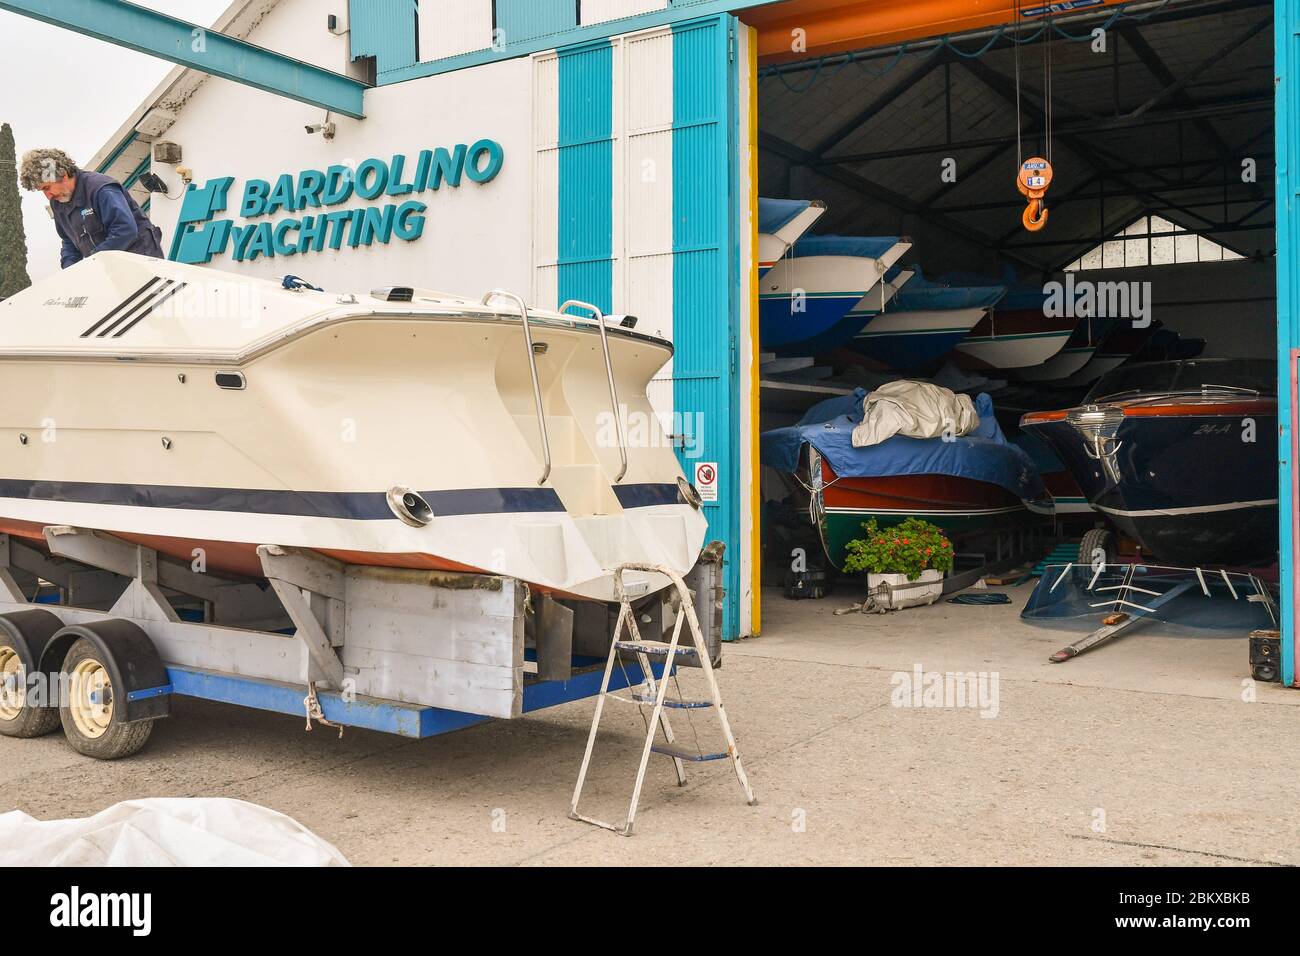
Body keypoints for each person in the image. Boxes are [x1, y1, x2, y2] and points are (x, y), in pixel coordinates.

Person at [18, 147, 164, 269]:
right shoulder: (57, 204)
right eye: (42, 191)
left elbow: (125, 230)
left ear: (62, 175)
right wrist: (70, 271)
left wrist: (91, 263)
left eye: (47, 188)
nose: (48, 196)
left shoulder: (101, 189)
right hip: (106, 269)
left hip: (140, 262)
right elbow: (69, 242)